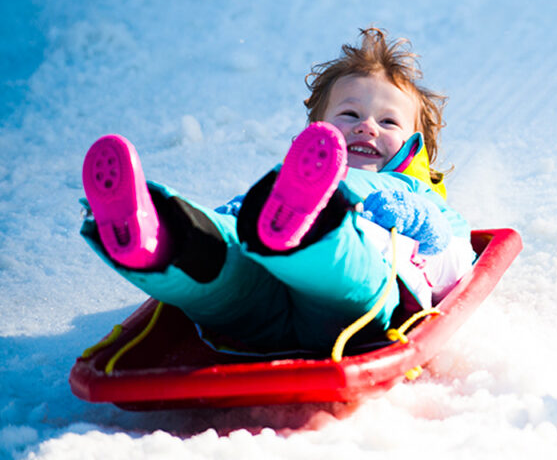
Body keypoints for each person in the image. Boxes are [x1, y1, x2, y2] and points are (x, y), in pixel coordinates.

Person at [80, 28, 475, 354]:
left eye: (388, 121)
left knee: (338, 264)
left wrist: (426, 227)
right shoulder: (284, 185)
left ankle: (305, 231)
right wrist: (219, 226)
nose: (366, 126)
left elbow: (459, 265)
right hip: (261, 301)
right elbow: (231, 223)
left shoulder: (415, 195)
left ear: (413, 147)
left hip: (354, 312)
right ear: (317, 133)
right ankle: (160, 237)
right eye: (349, 114)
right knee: (221, 264)